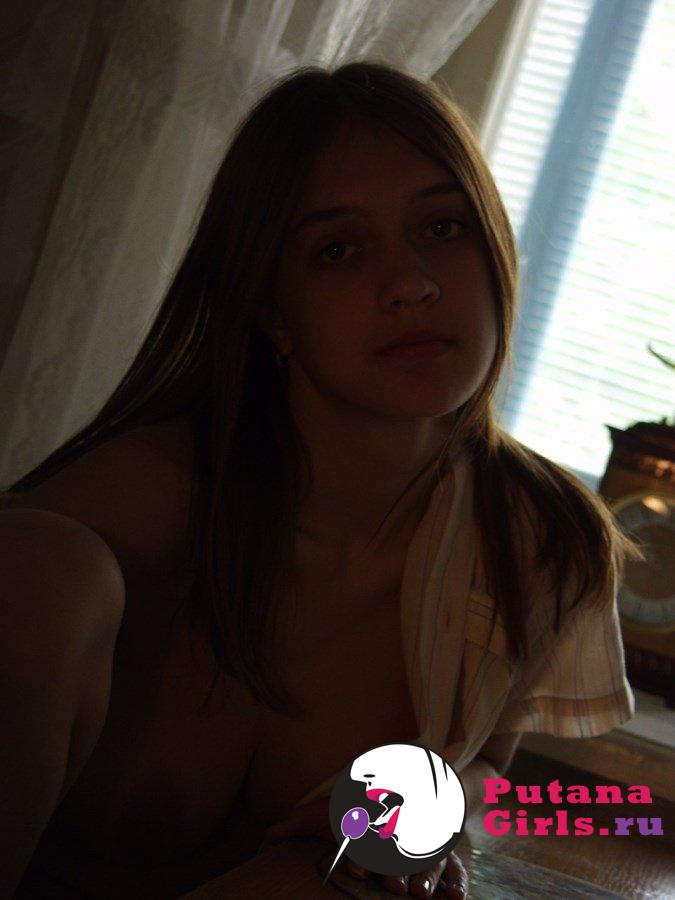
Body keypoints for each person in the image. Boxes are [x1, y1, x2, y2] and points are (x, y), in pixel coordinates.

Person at [0, 62, 640, 898]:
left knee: (353, 868)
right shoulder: (130, 508)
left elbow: (485, 762)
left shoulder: (541, 537)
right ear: (270, 309)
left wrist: (428, 802)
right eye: (337, 250)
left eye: (442, 227)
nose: (410, 284)